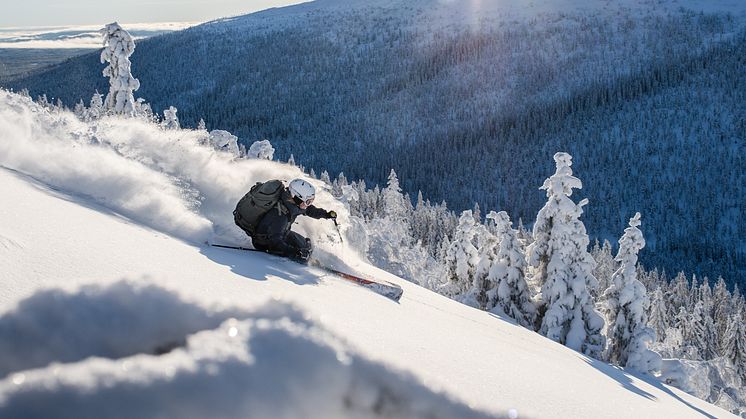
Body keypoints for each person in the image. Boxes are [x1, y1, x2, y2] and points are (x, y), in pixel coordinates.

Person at [250, 179, 336, 263]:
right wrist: (295, 252)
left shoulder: (293, 204)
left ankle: (308, 257)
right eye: (308, 201)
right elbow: (275, 242)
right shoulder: (280, 214)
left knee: (307, 245)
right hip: (264, 242)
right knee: (302, 256)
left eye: (310, 202)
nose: (308, 205)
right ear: (297, 197)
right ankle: (303, 261)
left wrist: (326, 214)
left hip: (281, 233)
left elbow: (309, 210)